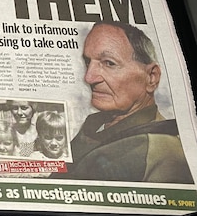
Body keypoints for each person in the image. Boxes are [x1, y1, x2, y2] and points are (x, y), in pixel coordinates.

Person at [60, 21, 193, 182]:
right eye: (88, 62)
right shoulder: (95, 126)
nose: (89, 77)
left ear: (151, 77)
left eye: (109, 63)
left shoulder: (158, 152)